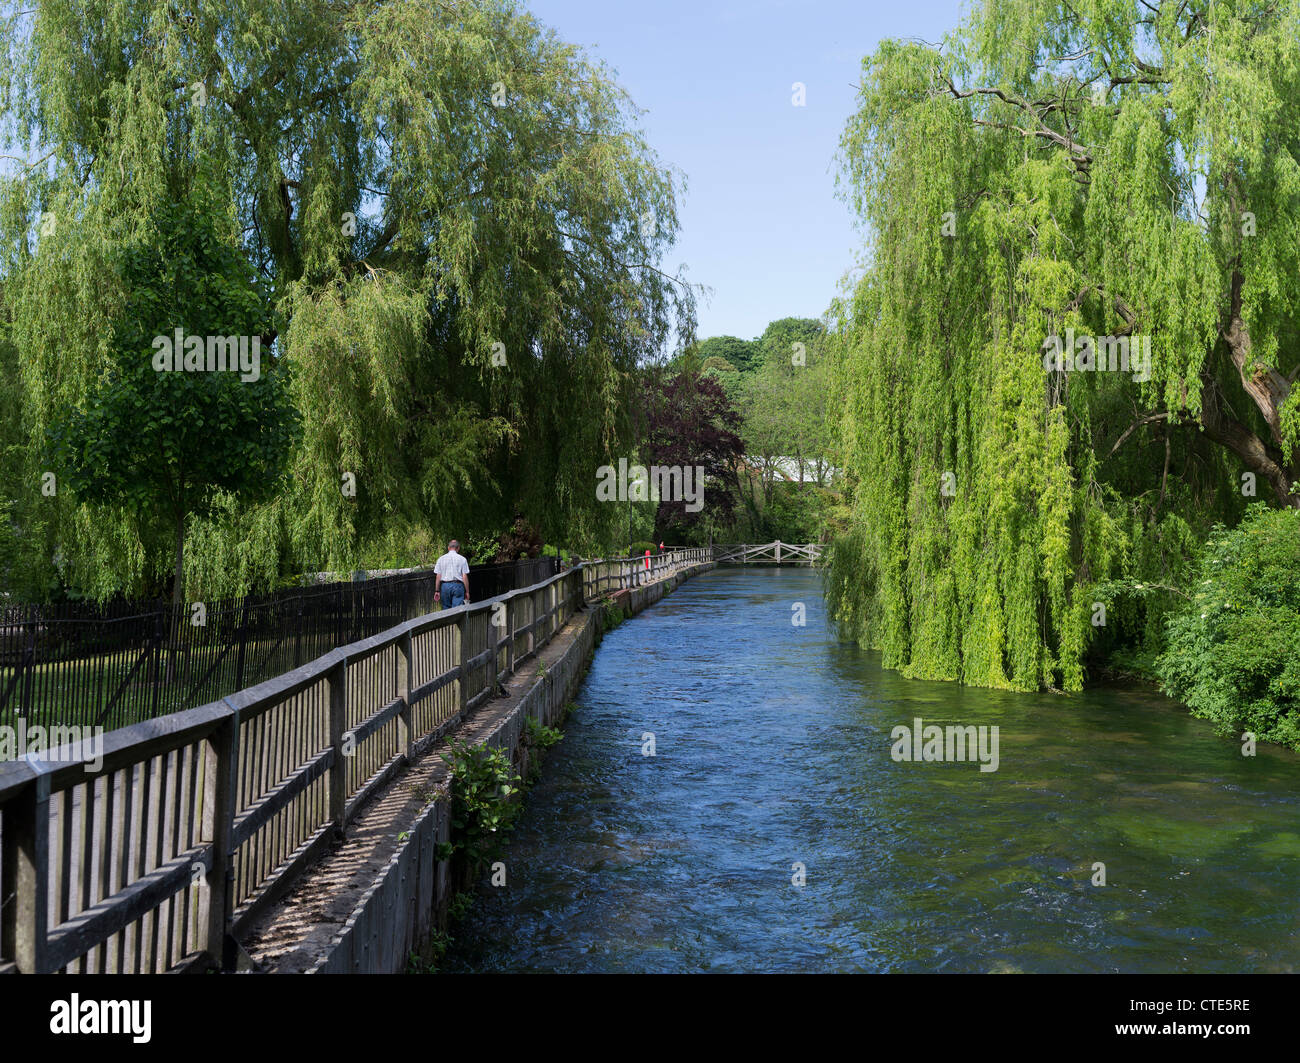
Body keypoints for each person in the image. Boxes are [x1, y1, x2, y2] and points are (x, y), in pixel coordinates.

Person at [434, 539, 471, 609]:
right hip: (458, 586)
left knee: (446, 610)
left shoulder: (440, 559)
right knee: (457, 610)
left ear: (448, 548)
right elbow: (464, 576)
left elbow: (438, 576)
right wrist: (467, 591)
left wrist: (437, 590)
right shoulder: (462, 559)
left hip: (445, 586)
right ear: (458, 548)